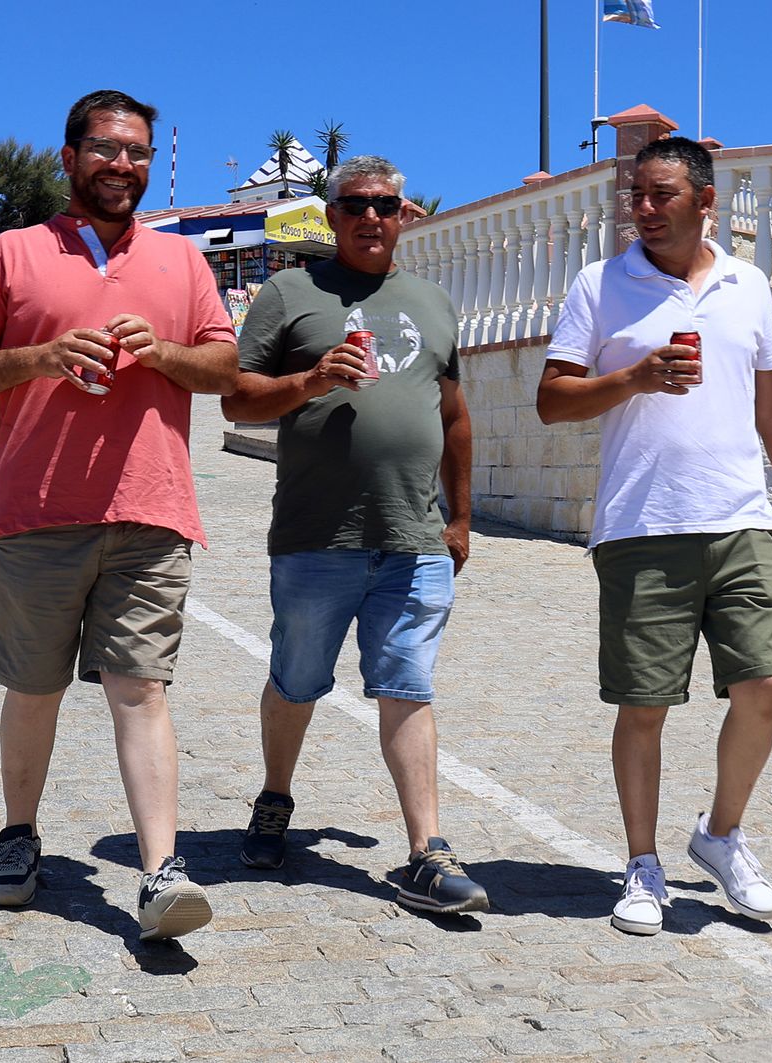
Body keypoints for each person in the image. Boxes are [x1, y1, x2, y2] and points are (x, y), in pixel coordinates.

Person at [0, 89, 238, 942]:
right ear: (69, 158)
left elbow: (224, 368)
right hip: (38, 512)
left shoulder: (182, 261)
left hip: (153, 509)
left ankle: (160, 872)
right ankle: (19, 833)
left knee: (141, 688)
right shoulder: (10, 253)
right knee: (34, 687)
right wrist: (40, 357)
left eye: (137, 152)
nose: (123, 165)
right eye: (107, 149)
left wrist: (164, 352)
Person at [535, 136, 772, 936]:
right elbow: (552, 400)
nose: (643, 208)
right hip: (642, 525)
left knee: (763, 685)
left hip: (741, 519)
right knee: (645, 704)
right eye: (635, 194)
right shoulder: (600, 285)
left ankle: (721, 835)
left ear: (705, 201)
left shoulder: (747, 285)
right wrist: (633, 377)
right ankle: (641, 862)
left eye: (661, 194)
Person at [219, 155, 487, 916]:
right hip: (316, 534)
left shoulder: (433, 301)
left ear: (405, 214)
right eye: (357, 204)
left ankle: (427, 851)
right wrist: (311, 381)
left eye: (386, 205)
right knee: (297, 679)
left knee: (408, 684)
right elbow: (237, 399)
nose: (372, 217)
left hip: (413, 534)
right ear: (333, 215)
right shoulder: (289, 293)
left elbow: (453, 414)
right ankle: (275, 798)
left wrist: (460, 516)